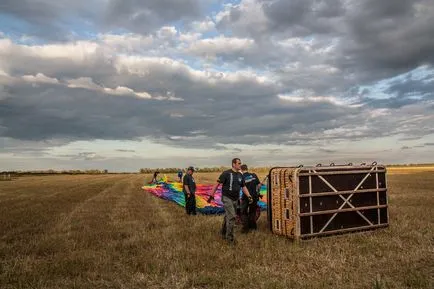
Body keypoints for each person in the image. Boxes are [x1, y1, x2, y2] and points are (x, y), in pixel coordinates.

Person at [209, 158, 254, 244]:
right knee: (232, 216)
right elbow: (217, 183)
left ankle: (223, 232)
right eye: (239, 163)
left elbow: (243, 187)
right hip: (227, 198)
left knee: (228, 216)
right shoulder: (226, 173)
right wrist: (212, 194)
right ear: (234, 164)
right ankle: (229, 239)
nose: (240, 165)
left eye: (240, 163)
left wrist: (249, 196)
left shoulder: (240, 175)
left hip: (235, 199)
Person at [239, 164, 262, 233]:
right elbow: (259, 185)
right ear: (247, 168)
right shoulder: (254, 175)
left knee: (243, 212)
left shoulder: (241, 177)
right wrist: (257, 192)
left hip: (246, 197)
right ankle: (253, 228)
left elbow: (241, 188)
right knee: (252, 212)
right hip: (254, 197)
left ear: (241, 170)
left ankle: (245, 229)